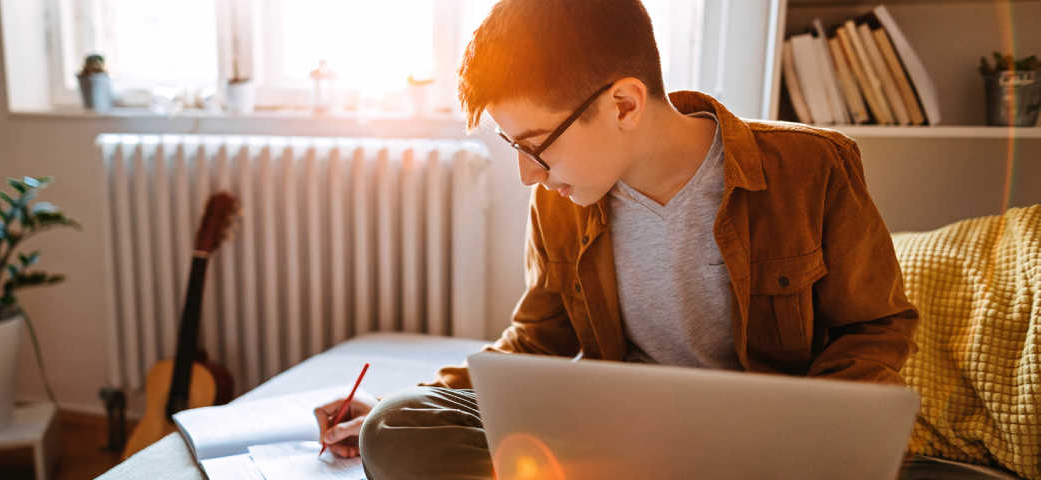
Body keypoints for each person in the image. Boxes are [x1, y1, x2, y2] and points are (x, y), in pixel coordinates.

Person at [313, 0, 920, 478]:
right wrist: (423, 395)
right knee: (396, 426)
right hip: (617, 443)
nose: (528, 173)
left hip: (764, 446)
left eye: (535, 144)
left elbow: (876, 327)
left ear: (625, 103)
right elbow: (536, 340)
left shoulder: (813, 168)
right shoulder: (560, 201)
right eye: (514, 147)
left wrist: (806, 431)